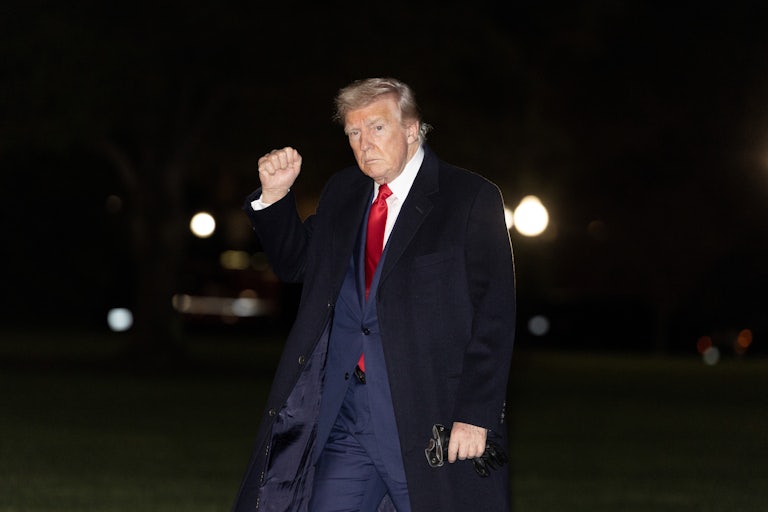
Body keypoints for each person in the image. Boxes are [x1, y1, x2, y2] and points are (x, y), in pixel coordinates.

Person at [233, 77, 516, 512]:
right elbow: (300, 265)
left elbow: (494, 316)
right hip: (348, 413)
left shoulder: (469, 199)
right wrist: (276, 197)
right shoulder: (344, 192)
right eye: (353, 132)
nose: (365, 143)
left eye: (377, 128)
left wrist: (476, 414)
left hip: (427, 415)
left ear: (411, 129)